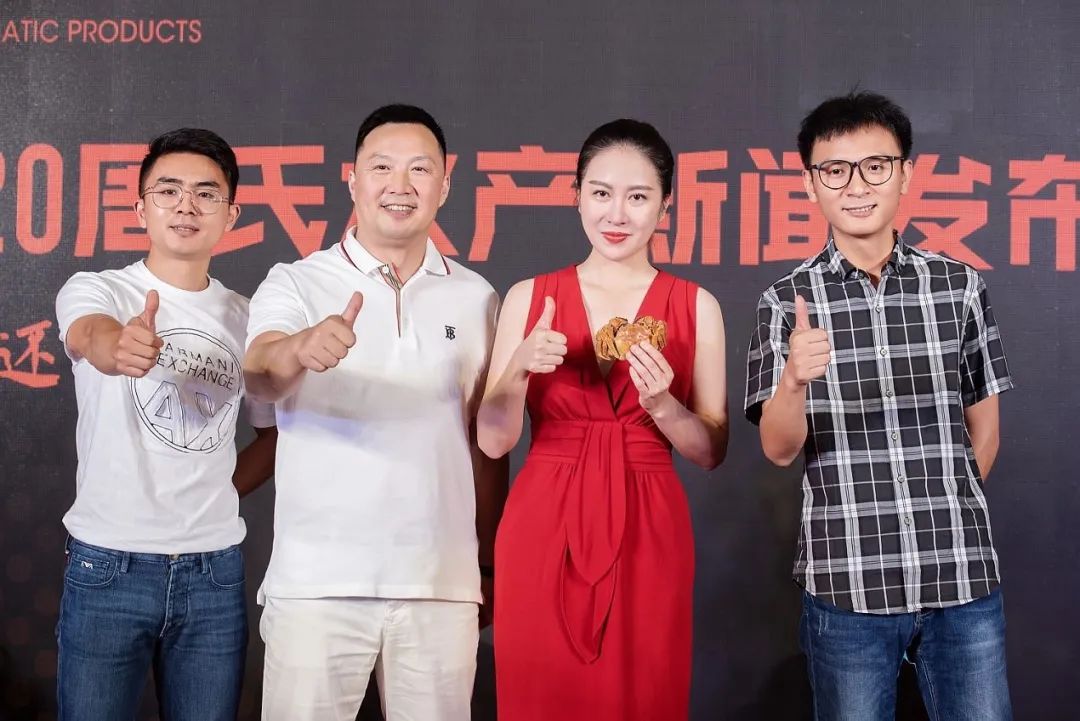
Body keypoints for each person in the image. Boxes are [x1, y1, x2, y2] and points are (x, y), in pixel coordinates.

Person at [745, 91, 1014, 721]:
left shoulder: (959, 286)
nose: (857, 186)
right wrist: (794, 380)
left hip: (961, 581)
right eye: (835, 170)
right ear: (810, 183)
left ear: (905, 174)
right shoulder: (785, 302)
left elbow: (986, 429)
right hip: (847, 588)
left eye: (875, 166)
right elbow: (778, 449)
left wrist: (946, 514)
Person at [243, 104, 506, 721]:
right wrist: (299, 349)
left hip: (440, 587)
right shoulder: (296, 282)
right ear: (352, 180)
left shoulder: (477, 298)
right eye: (382, 167)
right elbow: (259, 371)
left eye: (420, 169)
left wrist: (487, 564)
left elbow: (488, 446)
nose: (400, 185)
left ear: (446, 184)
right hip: (317, 585)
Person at [478, 119, 729, 720]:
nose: (616, 214)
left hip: (649, 522)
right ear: (576, 196)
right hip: (543, 518)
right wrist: (517, 369)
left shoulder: (697, 305)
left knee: (644, 690)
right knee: (542, 694)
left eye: (637, 197)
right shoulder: (528, 297)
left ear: (665, 205)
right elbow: (493, 441)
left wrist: (664, 406)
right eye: (600, 193)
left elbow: (710, 451)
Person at [54, 128, 278, 721]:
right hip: (108, 565)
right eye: (168, 191)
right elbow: (90, 334)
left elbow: (273, 436)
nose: (186, 206)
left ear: (231, 214)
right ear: (140, 209)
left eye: (206, 194)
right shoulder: (100, 289)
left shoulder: (249, 318)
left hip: (213, 572)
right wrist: (116, 347)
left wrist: (216, 492)